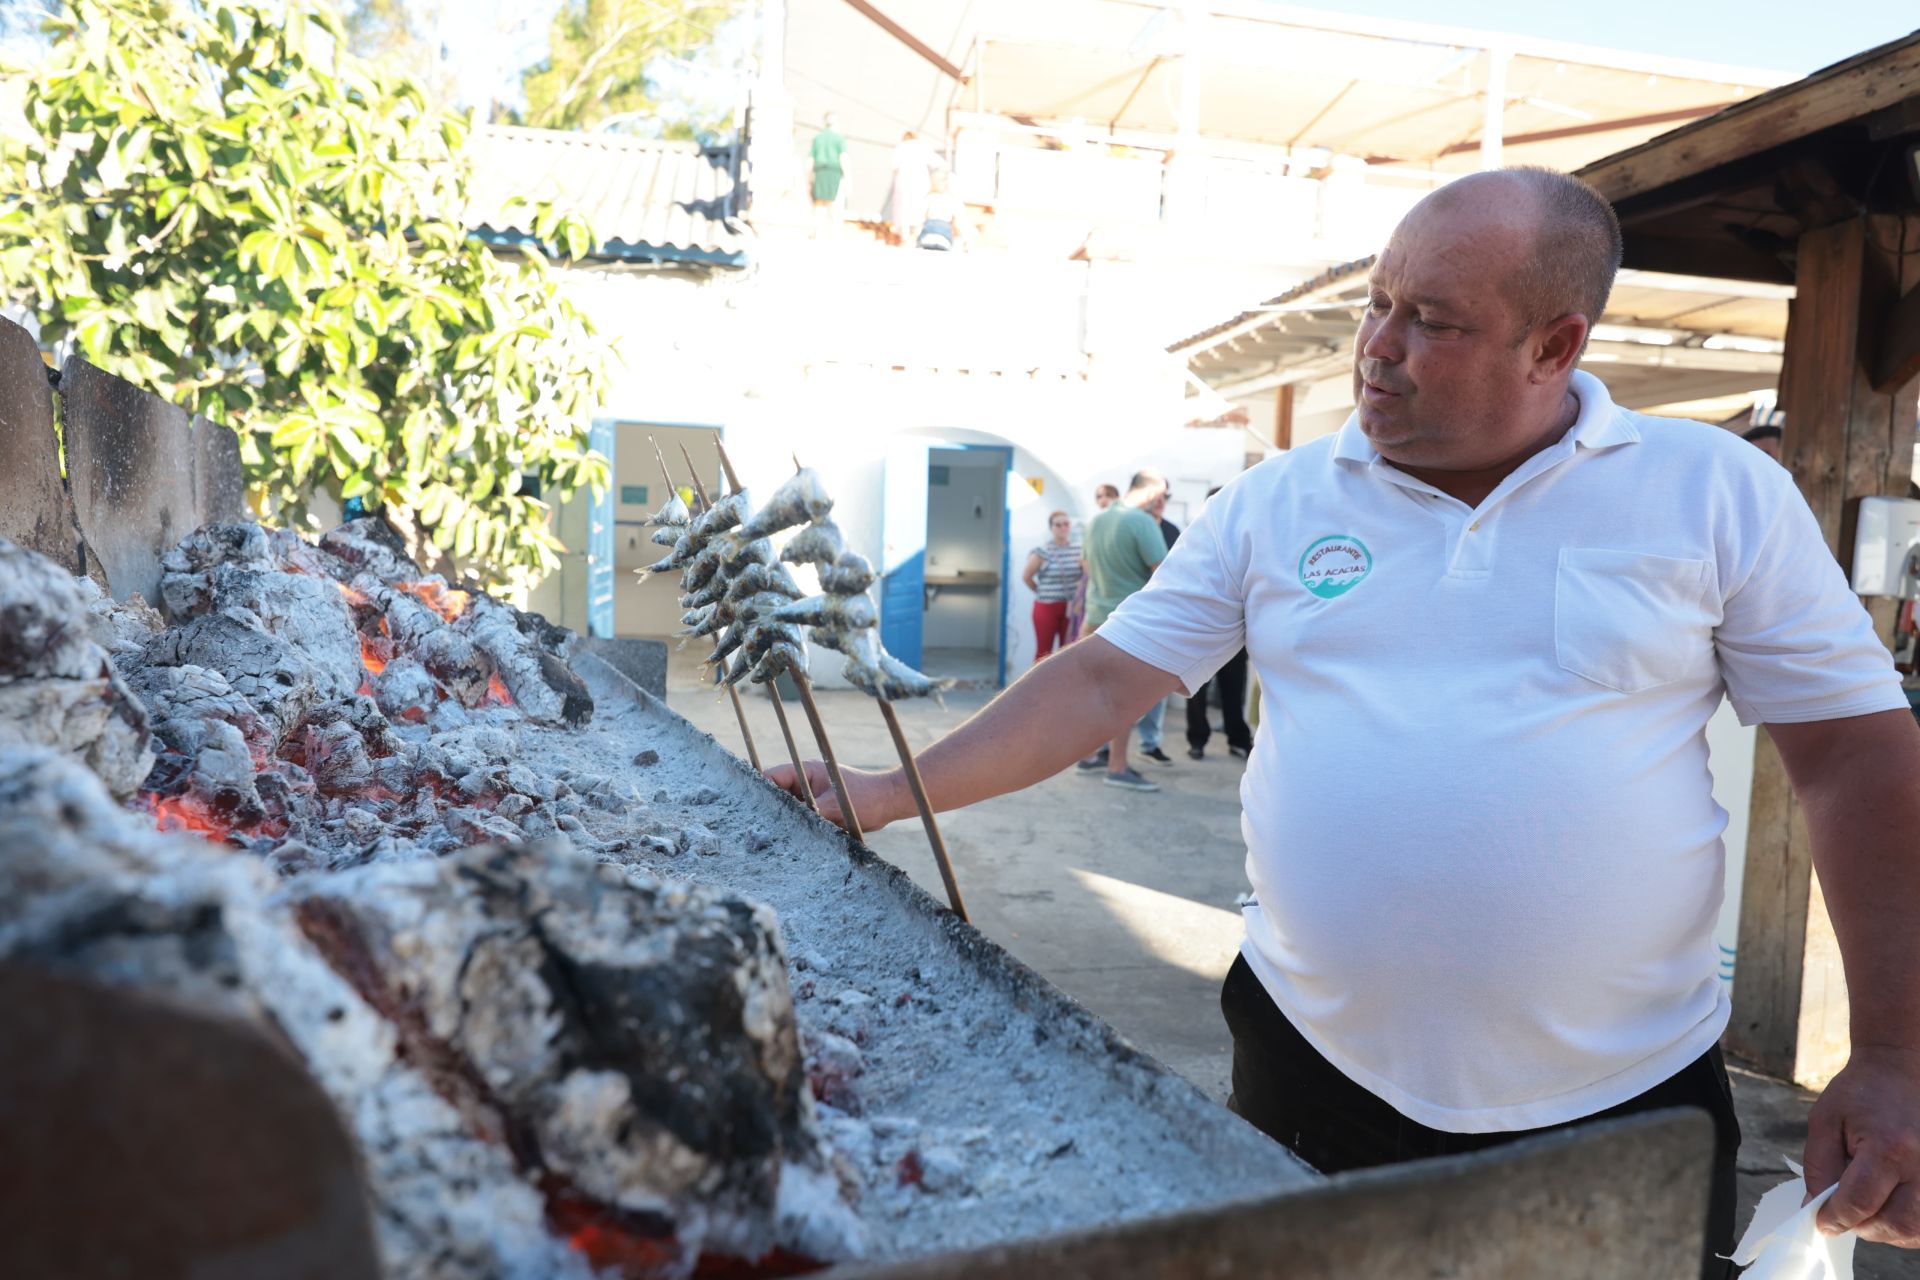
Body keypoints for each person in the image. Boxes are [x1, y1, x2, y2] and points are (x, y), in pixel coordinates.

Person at [772, 167, 1920, 1274]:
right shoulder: (1282, 498)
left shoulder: (1711, 490)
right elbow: (1101, 681)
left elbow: (1853, 757)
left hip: (1618, 1097)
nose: (1376, 346)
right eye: (1377, 302)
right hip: (1309, 1065)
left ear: (1555, 345)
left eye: (1431, 320)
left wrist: (1894, 1053)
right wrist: (888, 789)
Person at [1071, 470, 1169, 792]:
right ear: (1153, 493)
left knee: (1093, 694)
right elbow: (1163, 574)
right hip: (1128, 621)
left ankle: (1088, 754)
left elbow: (1085, 566)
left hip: (1094, 615)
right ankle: (1117, 766)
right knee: (1125, 697)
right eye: (1162, 496)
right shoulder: (1141, 522)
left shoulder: (1097, 521)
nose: (1162, 502)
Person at [1186, 487, 1253, 761]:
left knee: (1233, 689)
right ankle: (1197, 740)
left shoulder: (1244, 539)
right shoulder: (1195, 541)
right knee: (1197, 691)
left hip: (1237, 633)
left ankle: (1237, 738)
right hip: (1202, 632)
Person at [1067, 485, 1121, 645]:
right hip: (1094, 595)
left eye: (1108, 495)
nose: (1103, 499)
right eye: (1099, 496)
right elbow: (1085, 561)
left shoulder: (1123, 522)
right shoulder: (1092, 525)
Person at [1023, 511, 1079, 661]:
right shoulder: (1042, 551)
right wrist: (1041, 591)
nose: (1062, 528)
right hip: (1046, 607)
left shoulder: (1078, 550)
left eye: (1066, 524)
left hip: (1070, 607)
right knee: (1043, 653)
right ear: (1051, 528)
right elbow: (1026, 577)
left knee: (1067, 653)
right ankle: (1038, 684)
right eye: (1058, 525)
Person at [887, 131, 934, 248]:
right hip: (921, 182)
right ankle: (917, 235)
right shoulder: (923, 146)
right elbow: (936, 162)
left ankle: (904, 237)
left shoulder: (901, 147)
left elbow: (894, 166)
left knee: (904, 211)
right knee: (919, 210)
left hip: (904, 181)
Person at [809, 113, 847, 237]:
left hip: (819, 172)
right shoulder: (838, 138)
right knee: (835, 204)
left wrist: (808, 178)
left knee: (819, 203)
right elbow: (843, 158)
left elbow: (810, 159)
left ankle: (817, 232)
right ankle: (834, 233)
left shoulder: (818, 138)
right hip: (834, 172)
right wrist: (848, 177)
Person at [916, 169, 969, 251]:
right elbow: (959, 223)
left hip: (927, 235)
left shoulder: (929, 198)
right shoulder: (951, 200)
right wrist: (966, 241)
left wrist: (913, 237)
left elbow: (920, 219)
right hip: (944, 235)